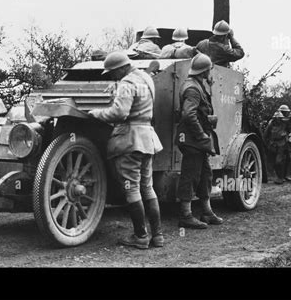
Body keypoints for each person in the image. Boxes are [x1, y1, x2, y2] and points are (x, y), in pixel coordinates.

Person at [88, 51, 164, 249]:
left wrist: (96, 113)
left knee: (131, 189)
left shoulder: (127, 83)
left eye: (112, 72)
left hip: (131, 141)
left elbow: (119, 113)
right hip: (147, 139)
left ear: (121, 68)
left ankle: (140, 236)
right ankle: (157, 236)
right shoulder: (146, 78)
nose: (112, 76)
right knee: (147, 188)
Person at [175, 53, 223, 229]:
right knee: (191, 175)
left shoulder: (197, 85)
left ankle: (207, 212)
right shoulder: (193, 89)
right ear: (204, 71)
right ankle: (185, 215)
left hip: (194, 139)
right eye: (209, 70)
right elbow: (188, 115)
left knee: (205, 175)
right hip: (191, 139)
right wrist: (201, 134)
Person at [263, 111, 288, 184]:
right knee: (274, 163)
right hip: (273, 145)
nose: (277, 119)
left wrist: (287, 138)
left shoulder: (285, 124)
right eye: (276, 118)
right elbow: (265, 135)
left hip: (282, 144)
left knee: (279, 161)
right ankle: (279, 177)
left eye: (279, 118)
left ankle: (281, 177)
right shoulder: (271, 124)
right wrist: (267, 144)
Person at [277, 104, 291, 181]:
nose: (286, 113)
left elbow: (290, 132)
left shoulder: (288, 121)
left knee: (288, 159)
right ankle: (280, 177)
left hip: (287, 143)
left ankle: (285, 176)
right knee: (278, 161)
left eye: (286, 112)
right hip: (278, 144)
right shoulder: (275, 121)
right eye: (284, 112)